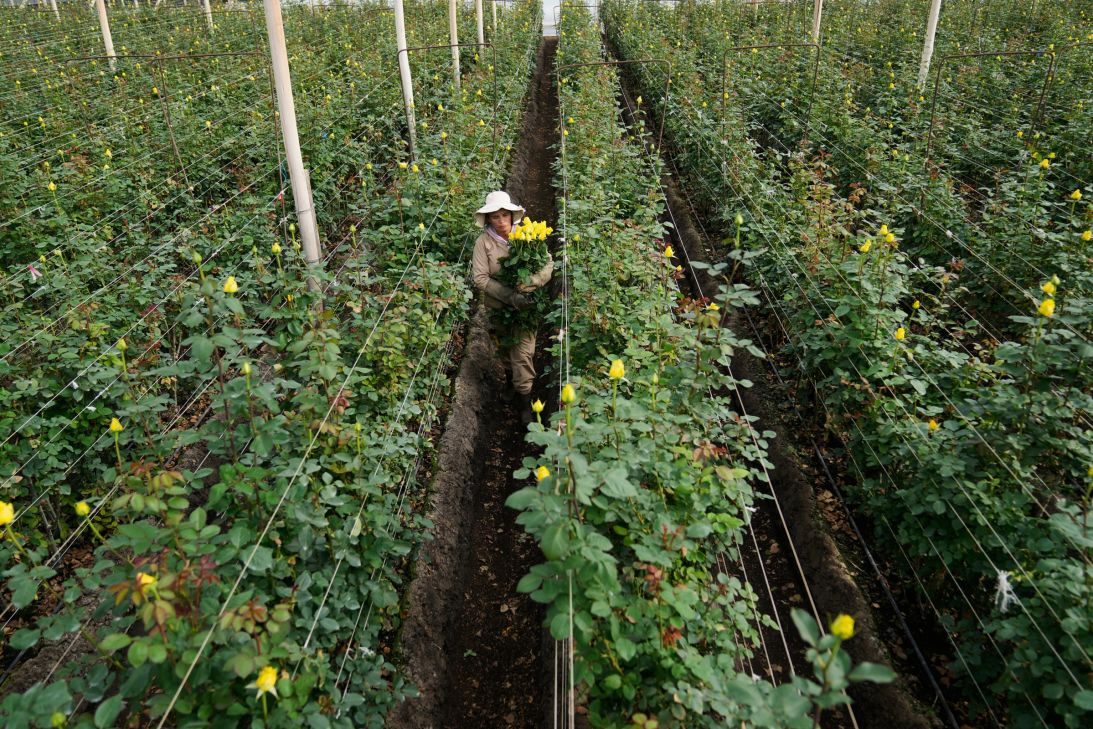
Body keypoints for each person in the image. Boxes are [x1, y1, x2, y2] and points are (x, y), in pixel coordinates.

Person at [471, 191, 553, 423]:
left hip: (526, 309)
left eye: (504, 215)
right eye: (495, 217)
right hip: (499, 308)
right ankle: (509, 382)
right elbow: (480, 278)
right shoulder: (483, 243)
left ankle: (525, 401)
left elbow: (548, 263)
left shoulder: (528, 236)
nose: (501, 221)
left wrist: (532, 282)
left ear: (512, 216)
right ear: (488, 220)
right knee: (505, 348)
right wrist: (510, 297)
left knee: (524, 354)